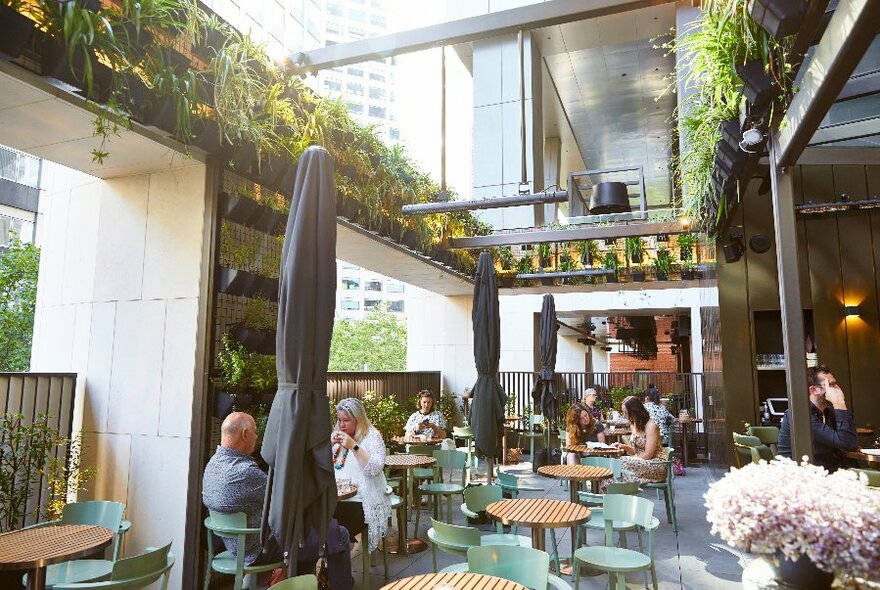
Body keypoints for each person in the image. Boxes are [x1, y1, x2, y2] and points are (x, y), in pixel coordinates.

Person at [202, 412, 353, 589]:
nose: (257, 437)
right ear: (244, 434)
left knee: (314, 533)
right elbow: (286, 498)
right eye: (255, 432)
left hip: (234, 544)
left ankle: (294, 582)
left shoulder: (213, 464)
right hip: (257, 549)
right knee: (338, 534)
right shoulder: (244, 472)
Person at [332, 398, 391, 555]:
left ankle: (334, 568)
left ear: (358, 419)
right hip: (337, 498)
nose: (342, 424)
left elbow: (375, 469)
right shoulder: (337, 437)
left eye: (346, 420)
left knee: (337, 529)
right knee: (317, 520)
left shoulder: (372, 436)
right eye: (339, 419)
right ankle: (331, 565)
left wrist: (354, 446)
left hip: (362, 500)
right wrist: (327, 447)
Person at [778, 365, 858, 472]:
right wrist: (839, 402)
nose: (837, 391)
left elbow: (851, 445)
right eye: (830, 385)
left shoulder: (829, 412)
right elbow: (847, 444)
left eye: (835, 384)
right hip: (799, 476)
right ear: (814, 390)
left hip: (825, 472)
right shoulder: (801, 416)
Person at [613, 397, 667, 484]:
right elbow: (635, 450)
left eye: (626, 413)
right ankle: (611, 495)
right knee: (612, 470)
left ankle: (621, 494)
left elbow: (648, 455)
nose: (624, 416)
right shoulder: (634, 424)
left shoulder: (651, 426)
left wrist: (631, 459)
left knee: (619, 463)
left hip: (655, 465)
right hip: (641, 462)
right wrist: (622, 446)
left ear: (635, 412)